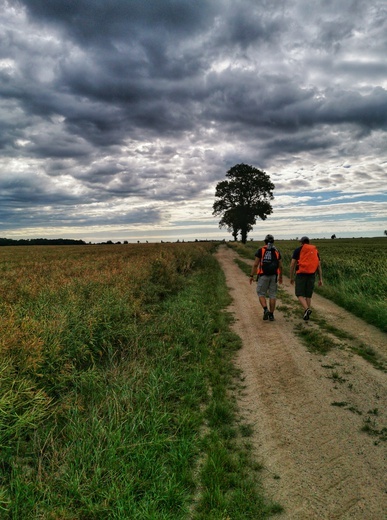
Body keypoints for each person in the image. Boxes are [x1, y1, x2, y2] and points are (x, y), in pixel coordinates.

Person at [249, 234, 283, 321]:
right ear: (273, 242)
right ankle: (271, 315)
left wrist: (252, 275)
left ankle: (265, 309)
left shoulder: (261, 250)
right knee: (272, 295)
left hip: (263, 275)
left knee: (261, 293)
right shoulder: (277, 251)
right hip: (274, 275)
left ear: (265, 241)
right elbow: (280, 266)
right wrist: (280, 277)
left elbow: (256, 264)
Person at [289, 236, 323, 320]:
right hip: (312, 274)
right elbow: (319, 266)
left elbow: (292, 264)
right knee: (308, 295)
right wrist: (320, 279)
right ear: (309, 242)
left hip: (301, 274)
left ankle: (307, 309)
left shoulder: (298, 250)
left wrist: (291, 277)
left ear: (301, 242)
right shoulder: (315, 250)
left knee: (299, 294)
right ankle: (306, 313)